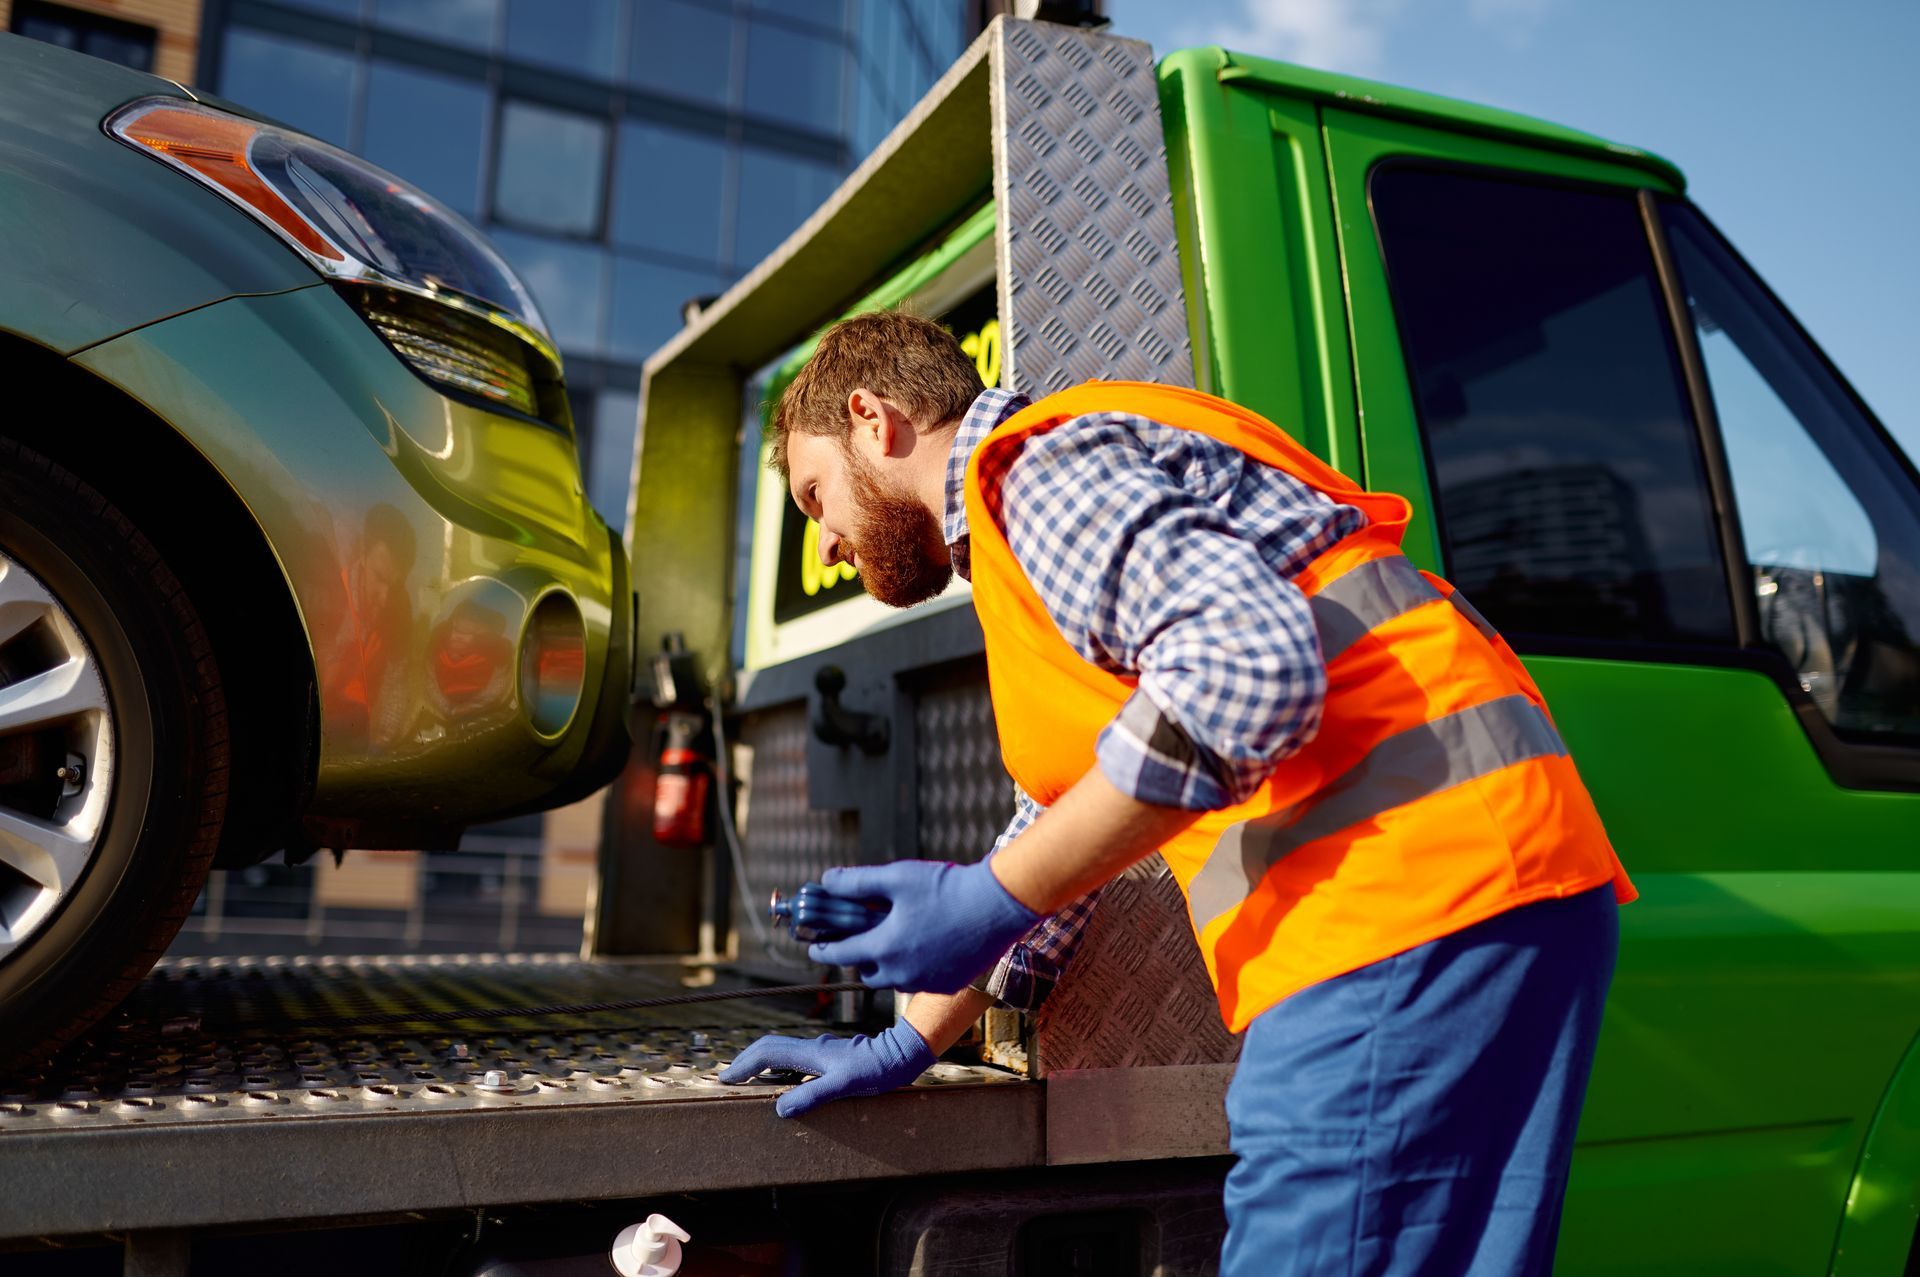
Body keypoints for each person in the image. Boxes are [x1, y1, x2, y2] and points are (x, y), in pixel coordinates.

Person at [718, 310, 1635, 1275]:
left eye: (816, 496)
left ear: (875, 419)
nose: (823, 544)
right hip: (1497, 887)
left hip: (1394, 907)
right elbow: (1067, 828)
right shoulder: (1035, 530)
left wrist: (992, 896)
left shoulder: (1033, 476)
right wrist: (907, 1039)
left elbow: (1246, 665)